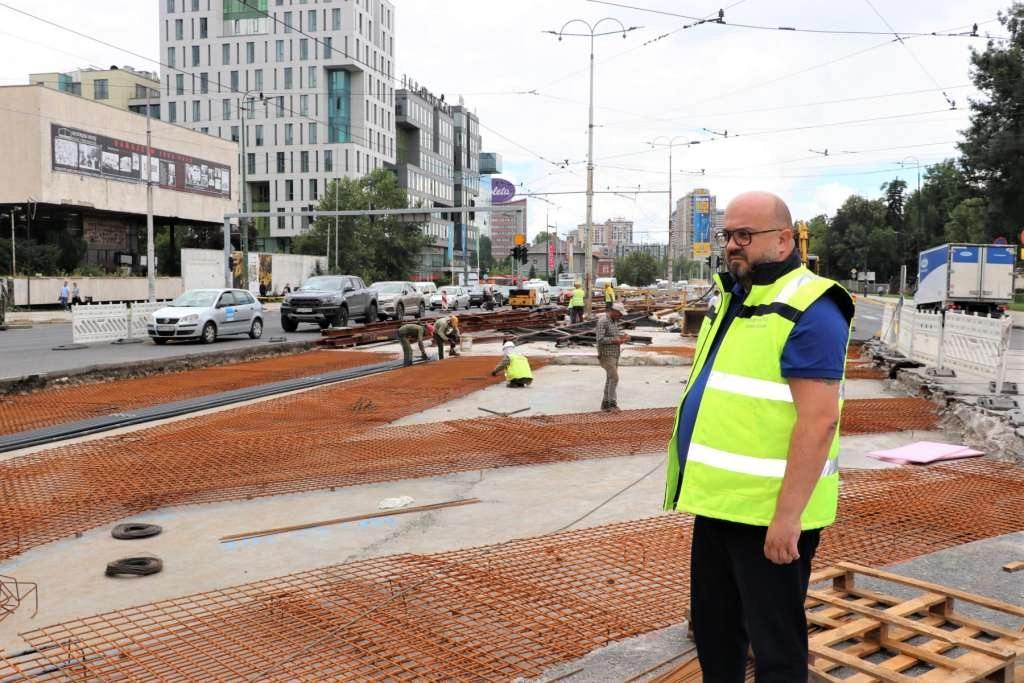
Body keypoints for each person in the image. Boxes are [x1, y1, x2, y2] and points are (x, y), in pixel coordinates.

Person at [662, 191, 854, 680]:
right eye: (727, 235)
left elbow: (818, 421)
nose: (732, 245)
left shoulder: (812, 306)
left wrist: (787, 520)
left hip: (771, 517)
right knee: (716, 634)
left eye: (744, 235)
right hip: (720, 504)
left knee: (776, 648)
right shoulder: (737, 298)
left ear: (784, 239)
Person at [595, 302, 629, 412]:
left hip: (615, 354)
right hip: (606, 355)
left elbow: (613, 336)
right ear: (614, 311)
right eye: (620, 314)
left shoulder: (614, 321)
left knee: (610, 379)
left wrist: (622, 337)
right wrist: (615, 340)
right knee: (614, 378)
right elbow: (600, 339)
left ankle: (605, 404)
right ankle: (612, 404)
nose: (621, 316)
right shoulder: (603, 321)